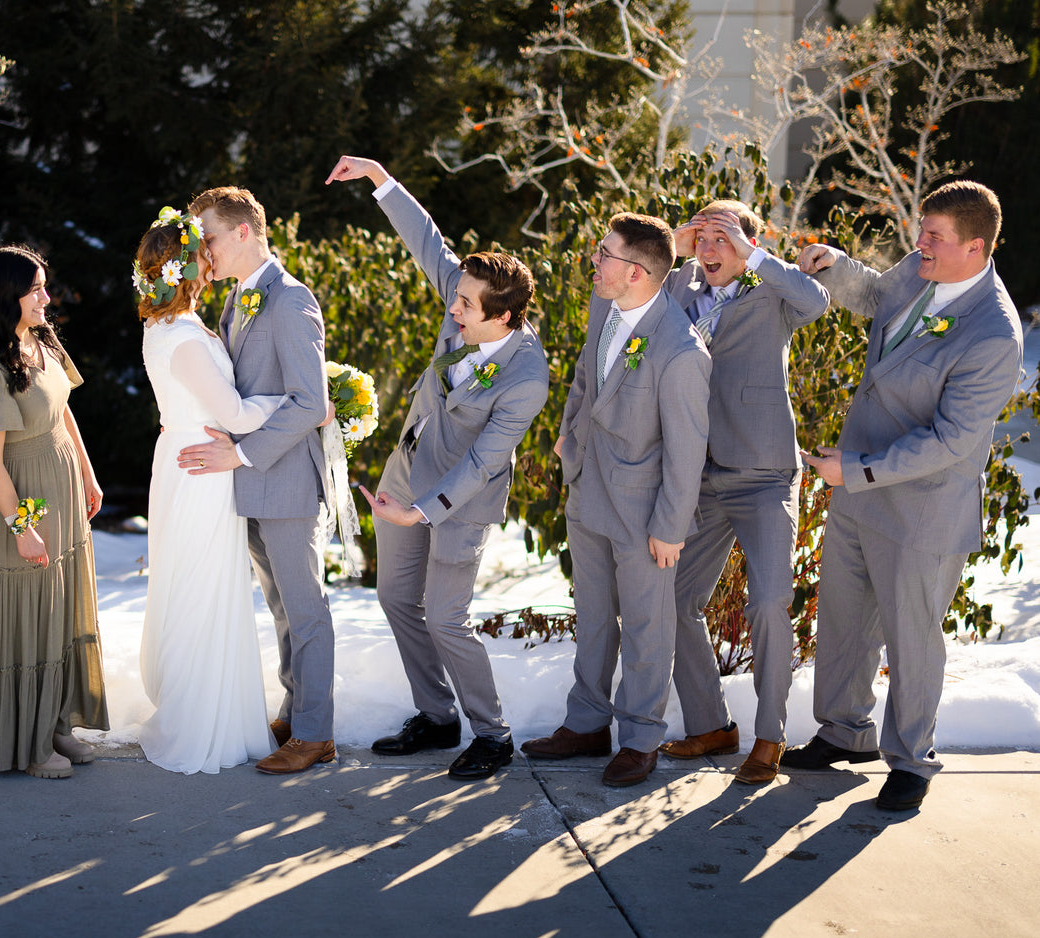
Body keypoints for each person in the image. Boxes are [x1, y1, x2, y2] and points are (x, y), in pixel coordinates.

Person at [787, 181, 1022, 811]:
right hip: (859, 489)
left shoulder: (996, 334)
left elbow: (949, 440)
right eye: (921, 229)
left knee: (911, 638)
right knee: (842, 621)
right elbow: (873, 296)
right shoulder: (922, 270)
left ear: (976, 247)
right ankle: (843, 730)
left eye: (935, 236)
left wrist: (856, 469)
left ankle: (912, 761)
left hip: (921, 508)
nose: (920, 243)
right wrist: (836, 267)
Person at [324, 156, 549, 781]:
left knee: (446, 616)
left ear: (502, 317)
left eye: (466, 308)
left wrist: (421, 511)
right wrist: (378, 179)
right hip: (407, 474)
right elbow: (428, 242)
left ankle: (493, 734)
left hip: (460, 500)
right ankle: (436, 715)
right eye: (456, 298)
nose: (454, 309)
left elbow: (483, 460)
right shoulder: (468, 296)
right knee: (397, 599)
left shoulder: (528, 376)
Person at [522, 214, 710, 788]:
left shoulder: (681, 351)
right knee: (595, 616)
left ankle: (639, 737)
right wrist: (568, 435)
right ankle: (586, 724)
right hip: (589, 490)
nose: (593, 261)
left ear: (635, 271)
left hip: (644, 511)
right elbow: (585, 378)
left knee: (648, 626)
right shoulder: (605, 311)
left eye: (603, 255)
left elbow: (687, 450)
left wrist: (671, 527)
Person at [656, 201, 830, 785]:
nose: (708, 250)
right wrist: (670, 251)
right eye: (700, 238)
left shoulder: (775, 293)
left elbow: (818, 300)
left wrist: (756, 254)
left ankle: (770, 736)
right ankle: (712, 726)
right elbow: (619, 309)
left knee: (767, 601)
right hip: (698, 479)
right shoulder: (677, 292)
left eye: (722, 239)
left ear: (750, 246)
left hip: (762, 476)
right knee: (671, 601)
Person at [176, 187, 337, 776]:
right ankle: (297, 714)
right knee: (282, 608)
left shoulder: (291, 300)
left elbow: (308, 401)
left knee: (307, 608)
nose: (203, 250)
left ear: (244, 232)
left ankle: (317, 734)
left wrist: (241, 456)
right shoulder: (241, 297)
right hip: (252, 483)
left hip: (286, 479)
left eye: (209, 237)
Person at [135, 207, 287, 774]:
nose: (212, 256)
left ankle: (206, 705)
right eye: (203, 251)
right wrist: (303, 401)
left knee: (194, 584)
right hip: (202, 471)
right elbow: (237, 413)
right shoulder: (187, 338)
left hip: (185, 461)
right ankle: (203, 720)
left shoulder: (167, 327)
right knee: (204, 590)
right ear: (187, 267)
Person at [0, 245, 109, 779]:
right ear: (7, 296)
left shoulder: (42, 340)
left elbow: (64, 410)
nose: (46, 297)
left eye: (45, 286)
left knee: (60, 611)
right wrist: (22, 528)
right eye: (35, 289)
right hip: (20, 503)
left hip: (62, 490)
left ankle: (56, 722)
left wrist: (86, 474)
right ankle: (27, 741)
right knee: (29, 619)